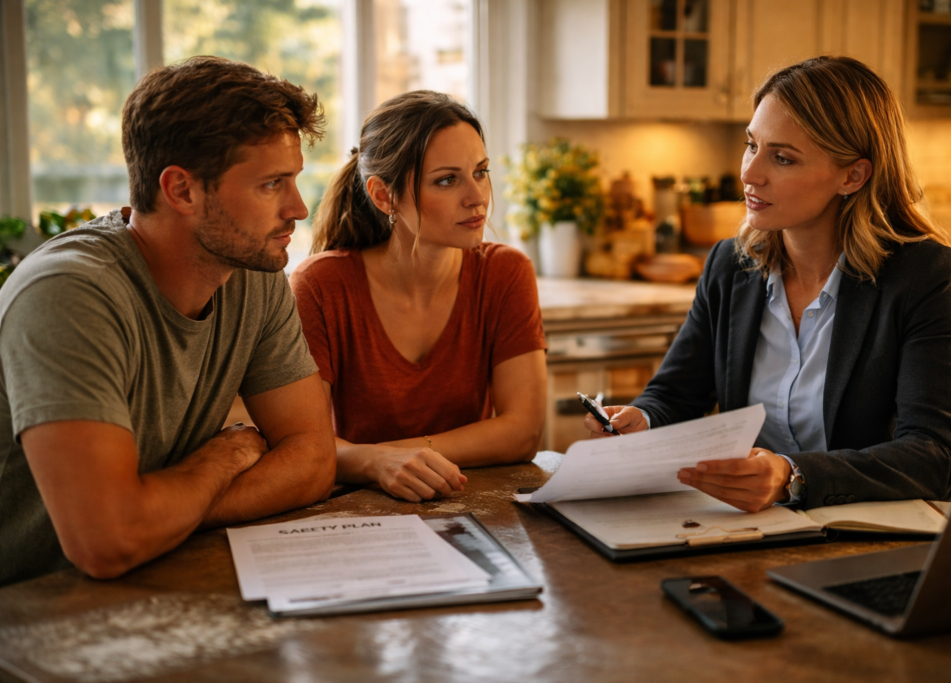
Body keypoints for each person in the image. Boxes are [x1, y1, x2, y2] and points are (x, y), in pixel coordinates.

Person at [0, 56, 337, 586]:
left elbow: (313, 461)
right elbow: (107, 541)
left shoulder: (252, 272)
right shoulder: (68, 294)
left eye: (294, 180)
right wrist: (221, 460)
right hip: (31, 612)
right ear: (181, 190)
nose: (298, 208)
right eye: (272, 184)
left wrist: (158, 513)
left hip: (151, 584)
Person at [584, 56, 951, 512]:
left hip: (860, 537)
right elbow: (676, 393)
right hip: (747, 529)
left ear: (853, 176)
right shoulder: (730, 265)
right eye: (752, 145)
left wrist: (792, 476)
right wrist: (640, 420)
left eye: (782, 157)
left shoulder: (923, 275)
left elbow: (934, 456)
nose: (749, 173)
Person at [290, 91, 547, 504]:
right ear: (383, 196)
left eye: (480, 172)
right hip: (355, 511)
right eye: (447, 180)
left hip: (471, 505)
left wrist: (388, 456)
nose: (476, 196)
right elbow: (300, 445)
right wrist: (376, 465)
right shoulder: (321, 287)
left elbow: (523, 432)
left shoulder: (505, 273)